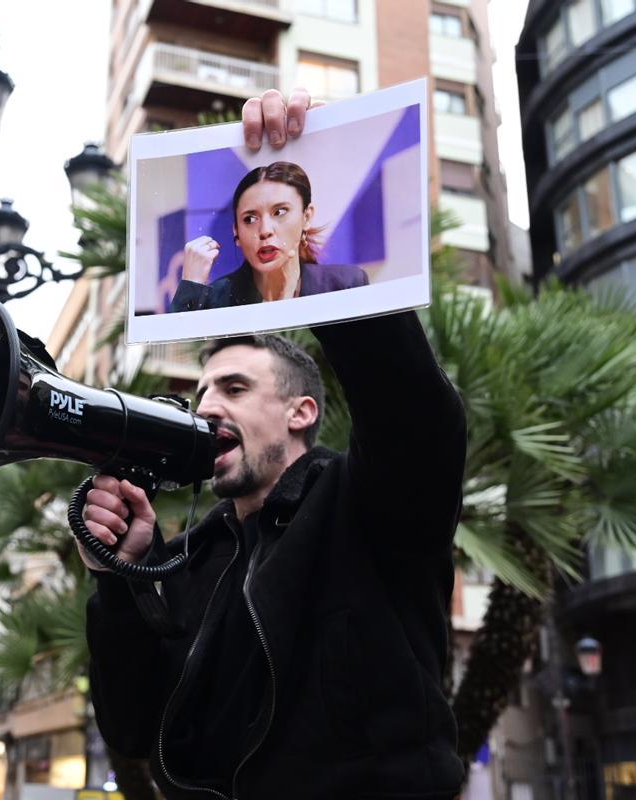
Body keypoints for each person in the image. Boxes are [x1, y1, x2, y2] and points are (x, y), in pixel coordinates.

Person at [79, 88, 466, 799]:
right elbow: (135, 730)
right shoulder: (193, 554)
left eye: (234, 388)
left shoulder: (366, 506)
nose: (207, 406)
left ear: (301, 412)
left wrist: (309, 140)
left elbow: (415, 414)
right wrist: (118, 583)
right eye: (202, 392)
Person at [168, 161, 368, 313]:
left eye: (280, 212)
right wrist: (191, 285)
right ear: (236, 231)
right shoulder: (216, 300)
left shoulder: (344, 286)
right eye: (250, 218)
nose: (265, 230)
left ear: (306, 217)